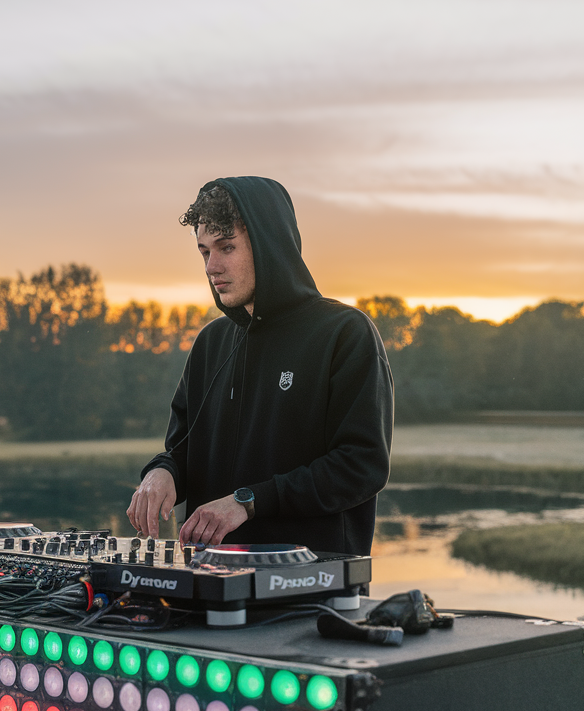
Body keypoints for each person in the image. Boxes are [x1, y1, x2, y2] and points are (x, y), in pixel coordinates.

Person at [127, 176, 393, 553]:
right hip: (209, 579)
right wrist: (162, 471)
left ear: (270, 244)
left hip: (314, 585)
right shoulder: (211, 342)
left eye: (227, 247)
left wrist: (247, 501)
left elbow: (361, 467)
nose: (212, 267)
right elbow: (183, 449)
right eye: (204, 252)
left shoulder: (344, 333)